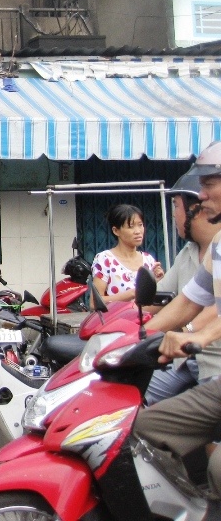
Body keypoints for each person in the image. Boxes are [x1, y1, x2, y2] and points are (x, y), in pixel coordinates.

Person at [135, 141, 221, 495]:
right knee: (140, 428)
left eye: (209, 184)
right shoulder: (217, 248)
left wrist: (198, 336)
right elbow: (187, 302)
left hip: (212, 364)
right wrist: (134, 340)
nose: (202, 194)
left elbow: (203, 318)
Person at [145, 185, 221, 404]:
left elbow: (215, 308)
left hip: (215, 360)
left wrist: (189, 331)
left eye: (176, 206)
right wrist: (134, 336)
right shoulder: (192, 251)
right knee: (135, 402)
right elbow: (185, 301)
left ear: (196, 209)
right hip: (183, 358)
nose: (173, 215)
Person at [91, 203, 165, 303]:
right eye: (131, 226)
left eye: (140, 225)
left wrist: (157, 281)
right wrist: (132, 293)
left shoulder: (149, 260)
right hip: (117, 314)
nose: (138, 231)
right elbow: (94, 302)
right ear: (116, 231)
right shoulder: (105, 259)